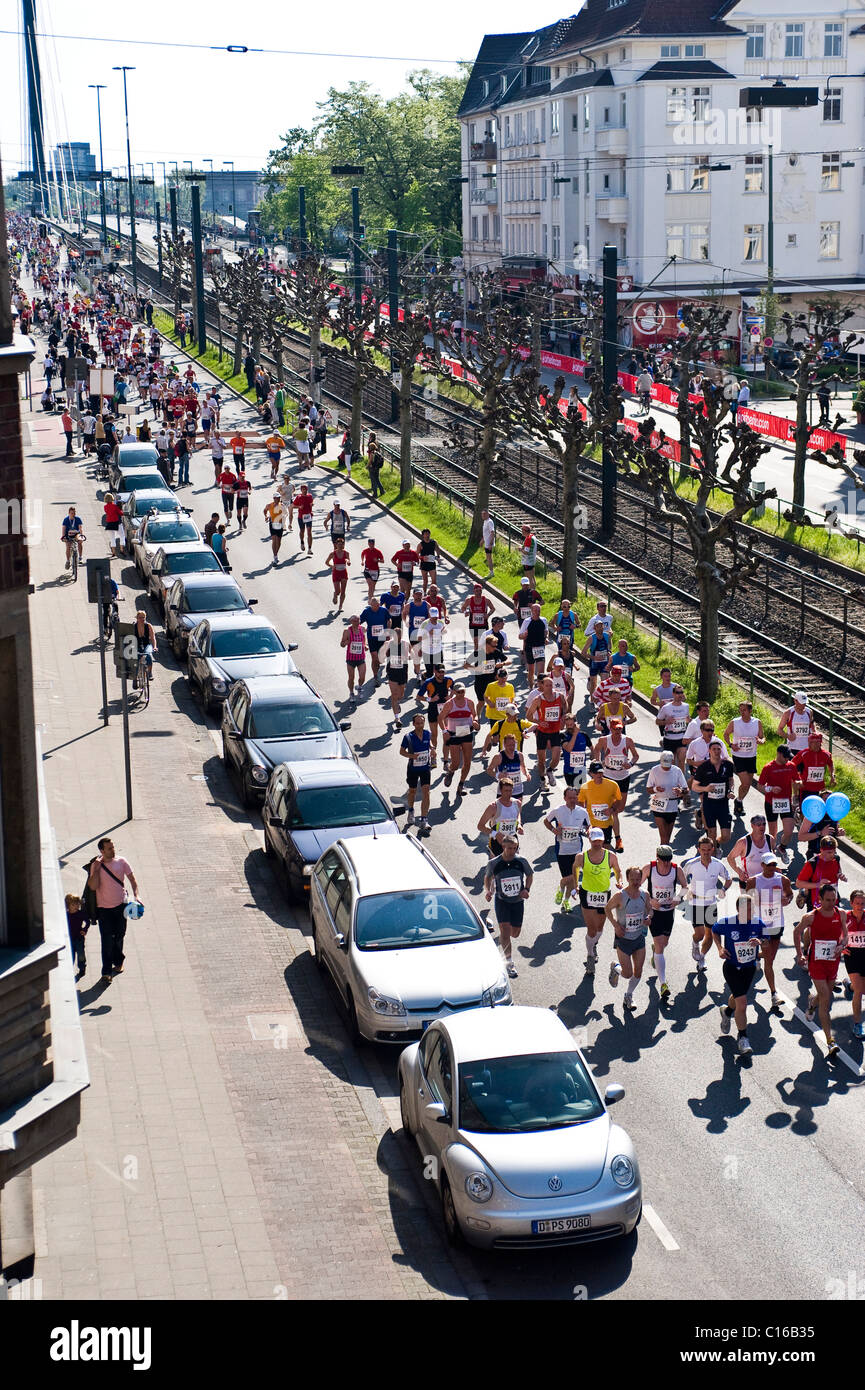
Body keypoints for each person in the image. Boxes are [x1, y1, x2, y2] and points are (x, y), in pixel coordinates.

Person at [713, 895, 770, 1056]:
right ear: (738, 909)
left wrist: (760, 943)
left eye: (752, 908)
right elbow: (714, 931)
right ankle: (743, 1038)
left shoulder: (758, 923)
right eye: (747, 909)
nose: (750, 912)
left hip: (749, 968)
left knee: (738, 998)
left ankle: (727, 1012)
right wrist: (720, 948)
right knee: (743, 1003)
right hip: (731, 967)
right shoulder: (728, 922)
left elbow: (767, 942)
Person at [795, 884, 847, 1055]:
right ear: (820, 900)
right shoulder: (810, 917)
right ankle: (830, 1041)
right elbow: (797, 932)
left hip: (833, 961)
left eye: (834, 900)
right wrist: (799, 953)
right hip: (816, 962)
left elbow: (845, 935)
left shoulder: (840, 914)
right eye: (828, 900)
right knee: (826, 997)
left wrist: (842, 945)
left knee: (825, 994)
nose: (831, 903)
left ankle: (811, 1004)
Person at [87, 836, 140, 984]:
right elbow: (93, 886)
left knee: (119, 935)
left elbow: (132, 880)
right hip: (104, 909)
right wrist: (96, 869)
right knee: (106, 940)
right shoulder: (96, 866)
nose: (113, 850)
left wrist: (136, 895)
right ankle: (106, 972)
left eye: (113, 847)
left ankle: (118, 960)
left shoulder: (121, 861)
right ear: (102, 850)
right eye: (109, 848)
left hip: (121, 906)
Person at [745, 851, 794, 1009]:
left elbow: (790, 895)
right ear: (762, 865)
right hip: (761, 926)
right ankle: (774, 994)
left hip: (777, 924)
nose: (772, 867)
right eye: (769, 865)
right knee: (770, 961)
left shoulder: (782, 879)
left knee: (770, 957)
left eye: (774, 864)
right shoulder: (753, 881)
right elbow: (747, 902)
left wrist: (787, 900)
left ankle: (755, 956)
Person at [641, 845, 687, 1002]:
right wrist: (649, 900)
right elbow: (637, 887)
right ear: (657, 857)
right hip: (654, 912)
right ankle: (663, 984)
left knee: (663, 943)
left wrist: (677, 899)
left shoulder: (676, 869)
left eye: (669, 860)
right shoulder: (649, 868)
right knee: (660, 945)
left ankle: (656, 953)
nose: (667, 863)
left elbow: (685, 887)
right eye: (664, 860)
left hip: (668, 912)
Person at [484, 835, 533, 978]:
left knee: (515, 933)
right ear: (503, 847)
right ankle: (509, 962)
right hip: (502, 901)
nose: (512, 851)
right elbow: (487, 877)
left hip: (517, 902)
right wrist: (488, 891)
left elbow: (530, 875)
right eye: (509, 848)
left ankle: (504, 938)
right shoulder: (494, 863)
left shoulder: (521, 861)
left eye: (515, 848)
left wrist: (527, 889)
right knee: (505, 931)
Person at [575, 829, 623, 975]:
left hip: (603, 894)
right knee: (591, 929)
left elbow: (618, 870)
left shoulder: (611, 856)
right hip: (587, 893)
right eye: (594, 840)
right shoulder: (581, 856)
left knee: (600, 928)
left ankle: (593, 944)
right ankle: (590, 955)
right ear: (589, 840)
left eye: (599, 840)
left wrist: (619, 881)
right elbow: (575, 868)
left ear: (602, 840)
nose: (597, 843)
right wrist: (576, 884)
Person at [682, 834, 733, 972]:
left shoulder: (718, 864)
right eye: (703, 849)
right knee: (699, 934)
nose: (705, 852)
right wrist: (683, 892)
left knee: (710, 934)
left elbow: (728, 879)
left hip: (711, 903)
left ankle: (702, 958)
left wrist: (723, 889)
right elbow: (680, 878)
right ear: (698, 849)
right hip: (696, 903)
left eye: (708, 849)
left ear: (712, 849)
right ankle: (695, 943)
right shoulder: (691, 864)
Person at [607, 870, 652, 1011]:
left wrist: (649, 917)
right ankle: (615, 968)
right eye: (632, 879)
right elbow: (607, 909)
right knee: (627, 974)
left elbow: (650, 910)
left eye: (638, 879)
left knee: (638, 971)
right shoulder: (620, 896)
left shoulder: (645, 894)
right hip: (624, 940)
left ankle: (629, 995)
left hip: (639, 938)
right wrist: (615, 925)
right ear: (627, 879)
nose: (635, 882)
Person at [591, 720, 638, 849]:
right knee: (613, 811)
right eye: (616, 729)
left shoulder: (627, 740)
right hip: (608, 777)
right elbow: (596, 751)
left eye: (620, 729)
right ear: (610, 729)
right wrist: (599, 762)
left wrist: (631, 764)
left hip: (623, 777)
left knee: (619, 808)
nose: (618, 732)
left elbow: (635, 756)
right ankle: (616, 839)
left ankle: (610, 835)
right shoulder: (604, 740)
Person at [543, 786, 590, 912]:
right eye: (570, 798)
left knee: (573, 878)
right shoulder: (557, 811)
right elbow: (546, 821)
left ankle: (566, 901)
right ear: (564, 798)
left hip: (576, 851)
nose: (573, 800)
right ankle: (561, 888)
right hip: (562, 851)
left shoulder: (582, 812)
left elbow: (588, 826)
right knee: (569, 879)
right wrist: (554, 830)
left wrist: (587, 831)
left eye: (575, 797)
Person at [690, 738, 736, 851]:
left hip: (723, 804)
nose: (716, 751)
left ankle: (716, 845)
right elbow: (694, 786)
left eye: (719, 749)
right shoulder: (703, 767)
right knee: (712, 833)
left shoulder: (728, 765)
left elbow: (731, 780)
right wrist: (706, 788)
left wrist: (731, 791)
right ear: (709, 751)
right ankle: (713, 854)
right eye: (714, 749)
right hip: (709, 804)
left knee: (726, 836)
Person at [756, 744, 798, 862]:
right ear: (778, 754)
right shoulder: (768, 767)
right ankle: (771, 855)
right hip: (771, 802)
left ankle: (782, 847)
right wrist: (771, 789)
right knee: (772, 833)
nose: (787, 759)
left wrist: (796, 794)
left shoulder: (791, 766)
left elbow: (796, 780)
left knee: (789, 831)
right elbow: (760, 786)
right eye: (785, 757)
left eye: (788, 757)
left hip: (786, 802)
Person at [723, 700, 764, 816]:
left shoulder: (757, 722)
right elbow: (726, 734)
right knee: (745, 783)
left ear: (750, 711)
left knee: (748, 783)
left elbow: (762, 737)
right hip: (738, 756)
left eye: (744, 710)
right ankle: (739, 801)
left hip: (751, 756)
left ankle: (739, 801)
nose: (742, 712)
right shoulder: (735, 722)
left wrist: (761, 741)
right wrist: (731, 744)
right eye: (740, 710)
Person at [440, 683, 479, 795]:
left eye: (462, 691)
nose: (461, 694)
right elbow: (440, 718)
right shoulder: (449, 704)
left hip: (466, 733)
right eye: (458, 692)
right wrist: (444, 731)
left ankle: (461, 785)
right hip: (454, 734)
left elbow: (474, 715)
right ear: (454, 692)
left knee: (467, 762)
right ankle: (451, 772)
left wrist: (475, 721)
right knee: (456, 763)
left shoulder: (469, 702)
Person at [645, 749, 688, 846]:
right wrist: (656, 789)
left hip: (672, 806)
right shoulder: (654, 770)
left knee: (667, 839)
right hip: (659, 805)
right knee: (663, 837)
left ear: (672, 761)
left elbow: (686, 789)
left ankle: (664, 859)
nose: (665, 768)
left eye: (667, 766)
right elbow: (648, 789)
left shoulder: (677, 771)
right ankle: (660, 859)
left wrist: (680, 791)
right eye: (664, 766)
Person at [401, 713, 432, 831]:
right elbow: (401, 751)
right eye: (417, 723)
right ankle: (411, 810)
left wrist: (433, 749)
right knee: (412, 791)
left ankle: (424, 820)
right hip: (413, 769)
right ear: (413, 724)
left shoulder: (427, 734)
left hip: (425, 768)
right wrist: (411, 756)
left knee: (426, 792)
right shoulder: (408, 737)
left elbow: (430, 744)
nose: (420, 725)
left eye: (422, 723)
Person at [795, 835, 845, 910]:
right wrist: (818, 884)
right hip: (816, 905)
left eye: (834, 851)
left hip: (833, 902)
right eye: (829, 852)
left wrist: (840, 875)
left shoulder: (836, 858)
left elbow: (838, 871)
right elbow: (798, 883)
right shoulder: (812, 863)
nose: (832, 855)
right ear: (821, 850)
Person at [477, 778, 523, 857]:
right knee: (496, 866)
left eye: (510, 790)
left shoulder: (517, 803)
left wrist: (519, 824)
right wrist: (496, 834)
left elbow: (517, 815)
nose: (508, 793)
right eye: (506, 791)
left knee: (514, 866)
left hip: (512, 839)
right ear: (500, 791)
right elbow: (480, 826)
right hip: (497, 841)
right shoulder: (493, 807)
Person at [843, 889, 865, 1039]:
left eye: (862, 903)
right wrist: (841, 946)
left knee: (861, 988)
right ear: (851, 903)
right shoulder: (844, 917)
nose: (860, 906)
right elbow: (833, 933)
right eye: (857, 903)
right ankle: (858, 1024)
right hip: (852, 955)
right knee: (860, 990)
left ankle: (848, 985)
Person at [382, 627, 410, 732]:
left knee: (401, 695)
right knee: (394, 695)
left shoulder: (406, 644)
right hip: (392, 673)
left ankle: (397, 703)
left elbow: (411, 654)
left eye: (399, 635)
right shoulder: (388, 643)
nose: (398, 637)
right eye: (396, 635)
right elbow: (383, 655)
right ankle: (397, 718)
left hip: (402, 673)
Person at [581, 619, 613, 701]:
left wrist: (609, 652)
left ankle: (603, 701)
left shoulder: (607, 636)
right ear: (595, 628)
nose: (600, 628)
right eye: (598, 626)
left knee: (604, 682)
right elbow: (583, 653)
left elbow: (609, 648)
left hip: (604, 662)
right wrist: (594, 657)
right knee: (593, 684)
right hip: (594, 663)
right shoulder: (591, 638)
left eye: (601, 626)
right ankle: (592, 700)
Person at [519, 603, 551, 684]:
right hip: (530, 647)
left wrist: (546, 638)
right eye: (535, 610)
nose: (537, 612)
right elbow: (520, 636)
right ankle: (531, 687)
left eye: (539, 610)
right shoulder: (527, 621)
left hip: (540, 647)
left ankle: (539, 688)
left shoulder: (543, 620)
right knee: (531, 671)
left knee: (541, 672)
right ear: (531, 611)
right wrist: (524, 635)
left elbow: (546, 631)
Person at [340, 614, 366, 704]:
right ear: (351, 622)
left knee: (362, 677)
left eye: (358, 620)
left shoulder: (362, 629)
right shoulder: (347, 631)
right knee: (351, 677)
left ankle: (359, 687)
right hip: (351, 659)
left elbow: (363, 639)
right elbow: (342, 644)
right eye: (355, 621)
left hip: (361, 657)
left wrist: (365, 646)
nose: (357, 622)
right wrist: (346, 642)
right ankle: (351, 693)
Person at [65, 892, 89, 981]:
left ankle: (82, 968)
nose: (76, 906)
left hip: (79, 938)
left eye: (77, 904)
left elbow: (87, 921)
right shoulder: (66, 915)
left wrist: (85, 929)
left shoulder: (80, 913)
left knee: (81, 954)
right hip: (69, 939)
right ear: (68, 905)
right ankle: (69, 969)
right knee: (70, 955)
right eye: (73, 904)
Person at [326, 536, 351, 611]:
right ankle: (335, 594)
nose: (340, 546)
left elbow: (347, 560)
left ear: (343, 545)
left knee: (343, 591)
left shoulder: (346, 553)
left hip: (343, 573)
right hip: (336, 573)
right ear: (336, 545)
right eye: (338, 544)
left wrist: (348, 562)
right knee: (338, 592)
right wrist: (331, 566)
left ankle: (340, 606)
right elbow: (326, 562)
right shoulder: (332, 554)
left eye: (341, 544)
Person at [263, 493, 287, 565]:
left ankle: (276, 553)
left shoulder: (282, 505)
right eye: (277, 498)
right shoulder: (269, 505)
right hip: (272, 523)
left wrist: (283, 517)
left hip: (280, 524)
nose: (278, 499)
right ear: (274, 498)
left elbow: (286, 513)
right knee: (274, 539)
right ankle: (275, 556)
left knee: (279, 541)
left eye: (279, 498)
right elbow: (265, 510)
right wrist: (266, 516)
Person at [293, 483, 314, 552]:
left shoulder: (310, 496)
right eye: (303, 489)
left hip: (308, 516)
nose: (304, 491)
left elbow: (311, 503)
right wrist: (299, 507)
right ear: (301, 490)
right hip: (301, 517)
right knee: (302, 531)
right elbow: (293, 505)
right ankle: (302, 542)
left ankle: (310, 548)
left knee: (309, 532)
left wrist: (311, 505)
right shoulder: (299, 497)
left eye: (305, 489)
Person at [234, 465, 250, 531]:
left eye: (243, 476)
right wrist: (237, 491)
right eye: (241, 477)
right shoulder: (236, 483)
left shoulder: (248, 482)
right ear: (239, 477)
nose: (242, 478)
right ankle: (240, 523)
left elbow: (250, 489)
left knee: (246, 513)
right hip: (239, 499)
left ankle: (243, 521)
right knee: (239, 513)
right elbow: (232, 490)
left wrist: (249, 491)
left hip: (245, 499)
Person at [481, 509, 496, 578]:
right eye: (482, 514)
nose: (483, 516)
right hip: (486, 542)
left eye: (484, 514)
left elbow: (492, 533)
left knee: (489, 558)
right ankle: (491, 571)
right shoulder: (485, 521)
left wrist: (491, 543)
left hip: (489, 543)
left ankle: (491, 572)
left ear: (488, 514)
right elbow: (486, 533)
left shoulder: (489, 522)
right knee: (488, 558)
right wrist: (482, 540)